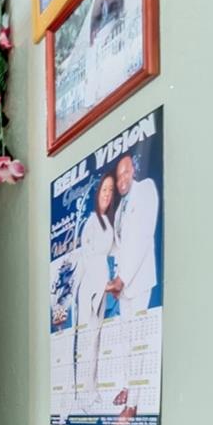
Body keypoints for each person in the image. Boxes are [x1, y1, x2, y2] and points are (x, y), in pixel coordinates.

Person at [73, 174, 118, 408]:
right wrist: (98, 289)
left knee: (96, 341)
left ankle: (92, 389)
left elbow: (116, 250)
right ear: (97, 193)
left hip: (101, 286)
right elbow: (88, 257)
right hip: (91, 287)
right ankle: (84, 393)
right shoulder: (91, 223)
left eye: (111, 191)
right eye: (104, 190)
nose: (107, 195)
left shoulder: (109, 223)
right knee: (87, 340)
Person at [108, 152, 159, 317]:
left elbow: (141, 238)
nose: (121, 180)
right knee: (124, 341)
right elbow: (120, 247)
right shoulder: (120, 209)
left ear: (133, 171)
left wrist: (121, 279)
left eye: (125, 173)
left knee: (139, 339)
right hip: (123, 290)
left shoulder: (145, 189)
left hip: (139, 281)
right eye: (118, 177)